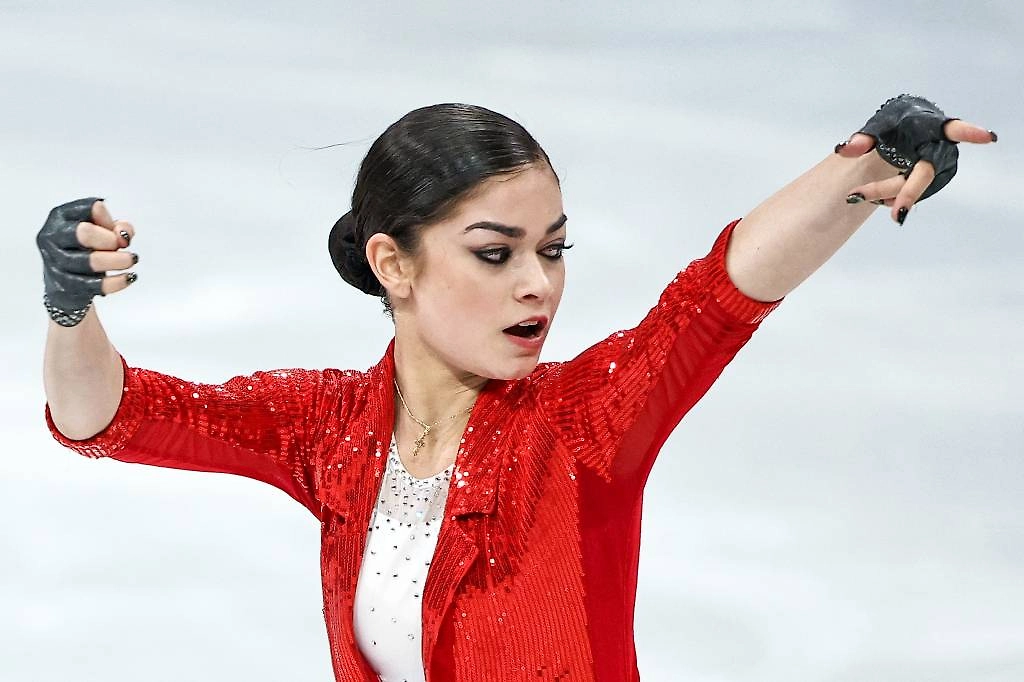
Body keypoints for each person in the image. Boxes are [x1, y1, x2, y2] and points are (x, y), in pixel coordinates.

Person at [39, 97, 996, 681]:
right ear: (394, 264)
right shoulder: (327, 429)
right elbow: (110, 417)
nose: (539, 284)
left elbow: (719, 294)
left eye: (554, 249)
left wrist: (872, 161)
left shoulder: (586, 424)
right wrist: (71, 309)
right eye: (496, 254)